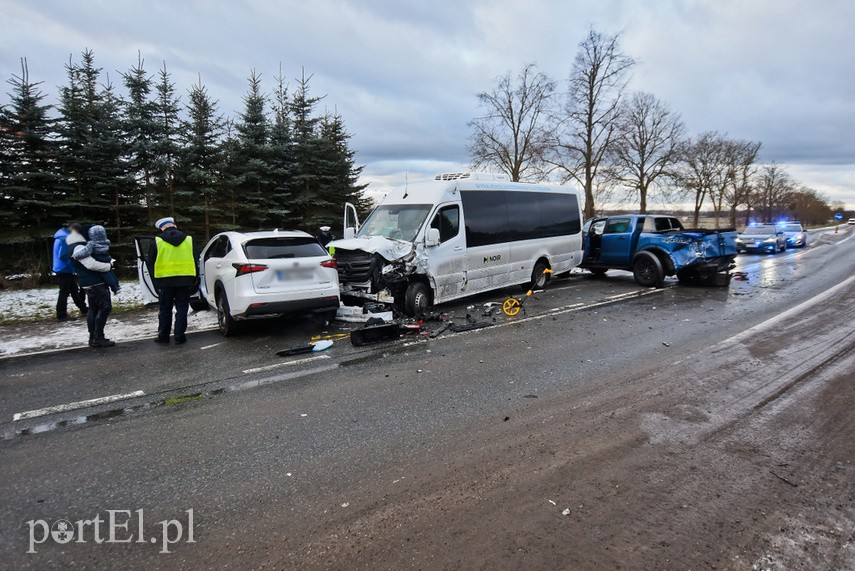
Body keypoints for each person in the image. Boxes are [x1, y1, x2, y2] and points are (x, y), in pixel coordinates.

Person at [148, 217, 196, 345]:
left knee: (165, 309)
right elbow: (196, 259)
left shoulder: (157, 241)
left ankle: (163, 336)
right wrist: (194, 280)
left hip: (165, 281)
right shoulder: (188, 240)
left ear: (162, 228)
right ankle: (180, 336)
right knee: (182, 308)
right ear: (174, 226)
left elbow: (150, 262)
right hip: (185, 280)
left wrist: (155, 281)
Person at [66, 228, 115, 348]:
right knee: (105, 307)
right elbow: (91, 264)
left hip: (89, 283)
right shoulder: (79, 248)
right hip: (95, 283)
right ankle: (97, 337)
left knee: (94, 309)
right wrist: (108, 266)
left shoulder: (79, 246)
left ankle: (93, 337)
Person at [70, 225, 121, 294]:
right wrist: (110, 265)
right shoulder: (106, 241)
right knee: (109, 273)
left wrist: (76, 256)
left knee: (105, 273)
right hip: (106, 257)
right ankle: (115, 286)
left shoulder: (91, 244)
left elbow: (86, 252)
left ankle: (115, 287)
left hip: (98, 260)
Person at [52, 223, 88, 321]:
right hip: (64, 269)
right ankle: (61, 315)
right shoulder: (65, 239)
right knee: (64, 292)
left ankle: (84, 309)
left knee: (73, 290)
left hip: (63, 269)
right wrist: (73, 263)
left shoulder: (61, 237)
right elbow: (63, 256)